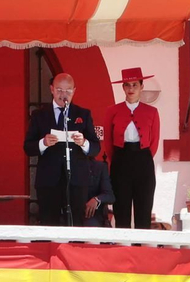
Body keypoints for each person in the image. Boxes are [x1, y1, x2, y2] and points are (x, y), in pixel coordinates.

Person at [24, 73, 99, 226]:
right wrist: (43, 143)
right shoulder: (40, 115)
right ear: (51, 89)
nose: (63, 95)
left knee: (76, 223)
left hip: (76, 180)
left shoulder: (83, 114)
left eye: (68, 91)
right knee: (48, 223)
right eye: (59, 90)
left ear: (74, 91)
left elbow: (95, 148)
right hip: (49, 180)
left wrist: (83, 142)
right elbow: (28, 147)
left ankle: (73, 250)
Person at [100, 67, 160, 229]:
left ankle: (142, 250)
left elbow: (154, 142)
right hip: (121, 159)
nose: (131, 89)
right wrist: (119, 159)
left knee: (144, 207)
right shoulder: (112, 111)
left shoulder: (152, 112)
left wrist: (142, 157)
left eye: (135, 85)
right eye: (127, 85)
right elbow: (108, 141)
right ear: (123, 88)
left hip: (143, 160)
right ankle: (122, 248)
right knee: (121, 208)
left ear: (141, 86)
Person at [83, 154, 115, 228]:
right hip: (68, 213)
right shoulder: (65, 165)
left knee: (91, 229)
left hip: (90, 215)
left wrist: (96, 199)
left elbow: (110, 196)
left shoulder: (99, 167)